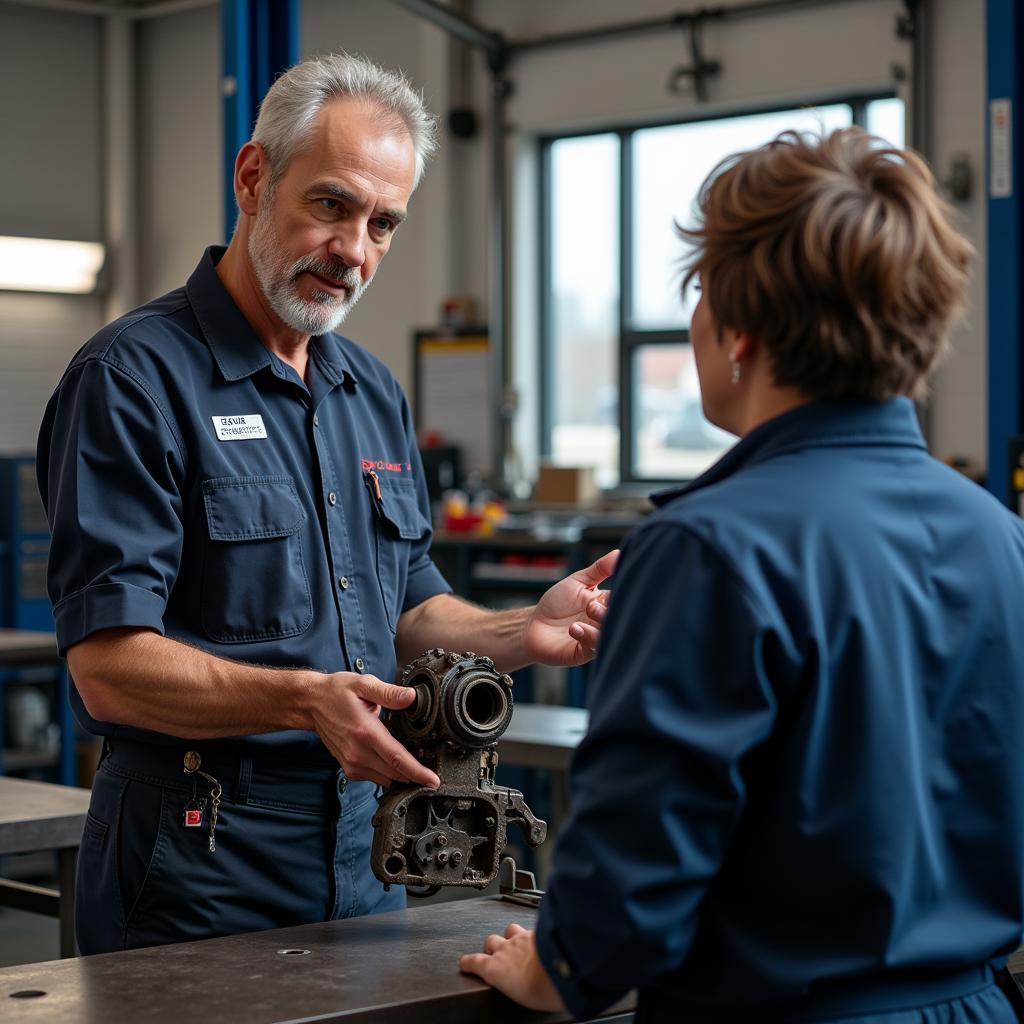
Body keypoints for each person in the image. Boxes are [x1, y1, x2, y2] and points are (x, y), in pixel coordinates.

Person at [37, 52, 616, 955]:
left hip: (367, 844)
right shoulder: (133, 379)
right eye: (332, 206)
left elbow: (412, 605)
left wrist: (518, 633)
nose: (355, 251)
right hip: (197, 855)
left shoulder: (371, 392)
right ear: (254, 177)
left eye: (384, 223)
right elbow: (106, 666)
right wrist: (306, 700)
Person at [459, 128, 1024, 1023]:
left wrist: (562, 969)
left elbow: (640, 851)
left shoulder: (706, 548)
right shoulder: (998, 537)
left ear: (740, 330)